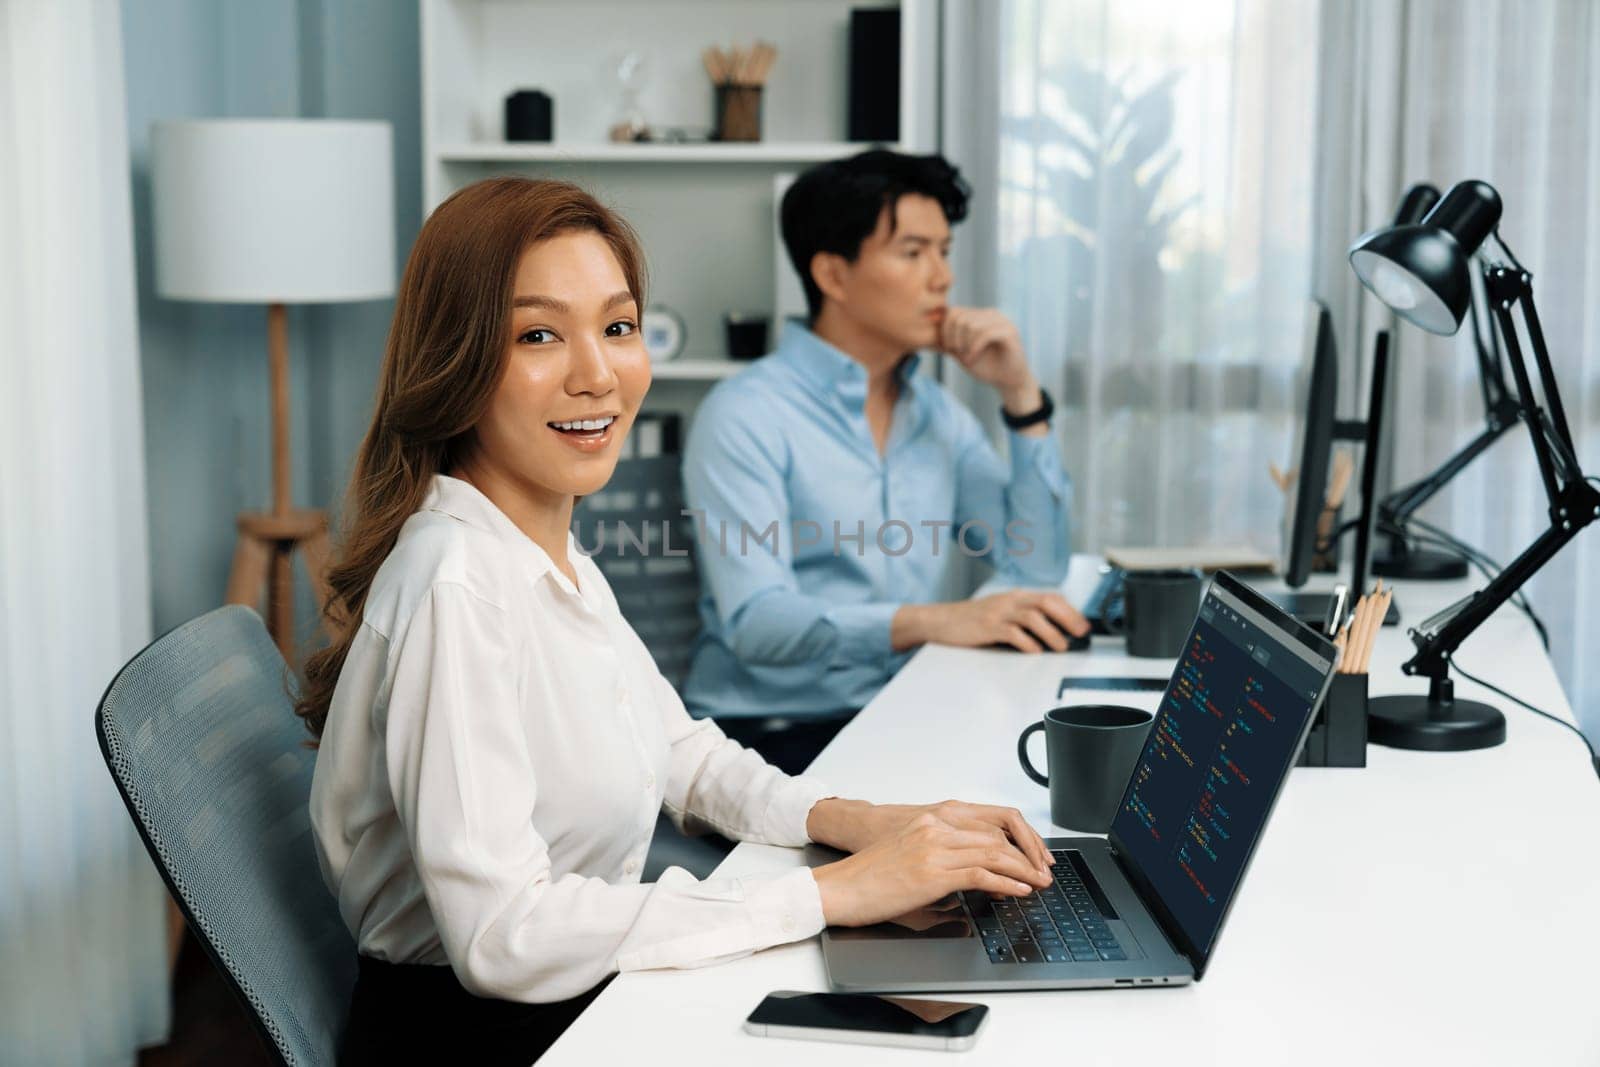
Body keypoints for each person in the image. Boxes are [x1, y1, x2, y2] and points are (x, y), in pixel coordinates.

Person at [297, 177, 1056, 1065]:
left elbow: (686, 757)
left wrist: (860, 821)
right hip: (484, 1035)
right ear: (457, 361)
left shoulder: (552, 552)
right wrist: (835, 894)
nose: (597, 373)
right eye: (539, 334)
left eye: (618, 327)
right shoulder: (457, 581)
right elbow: (505, 934)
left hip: (575, 993)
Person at [681, 149, 1087, 774]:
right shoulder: (744, 414)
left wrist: (1020, 397)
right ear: (833, 276)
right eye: (913, 252)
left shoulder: (935, 412)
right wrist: (939, 621)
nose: (942, 277)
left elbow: (1035, 564)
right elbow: (758, 625)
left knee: (1052, 795)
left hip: (897, 712)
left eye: (944, 252)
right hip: (765, 737)